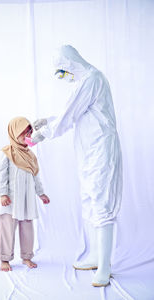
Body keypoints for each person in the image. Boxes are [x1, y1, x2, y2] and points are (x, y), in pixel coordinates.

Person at [32, 45, 122, 287]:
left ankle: (104, 267)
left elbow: (68, 116)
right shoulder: (84, 81)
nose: (64, 76)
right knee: (90, 202)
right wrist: (48, 121)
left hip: (101, 152)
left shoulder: (92, 78)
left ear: (71, 63)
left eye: (63, 71)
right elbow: (72, 114)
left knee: (101, 204)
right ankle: (95, 256)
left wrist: (43, 133)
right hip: (89, 153)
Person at [0, 116, 50, 272]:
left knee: (27, 228)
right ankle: (4, 259)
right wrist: (3, 194)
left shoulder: (30, 155)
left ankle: (27, 256)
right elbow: (1, 174)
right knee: (7, 229)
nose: (27, 136)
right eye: (23, 133)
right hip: (10, 200)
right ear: (14, 132)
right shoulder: (7, 152)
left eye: (29, 132)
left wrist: (41, 194)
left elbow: (36, 177)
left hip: (26, 199)